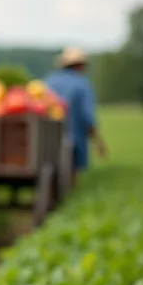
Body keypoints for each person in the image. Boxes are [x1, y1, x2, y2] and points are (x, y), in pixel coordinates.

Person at [44, 46, 107, 185]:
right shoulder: (83, 84)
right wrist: (98, 140)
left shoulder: (48, 81)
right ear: (80, 66)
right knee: (72, 174)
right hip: (73, 136)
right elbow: (87, 115)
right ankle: (71, 195)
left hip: (46, 137)